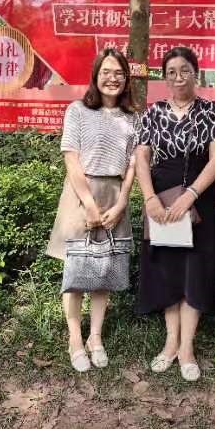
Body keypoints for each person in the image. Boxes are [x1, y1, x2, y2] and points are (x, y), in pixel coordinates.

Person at [135, 46, 215, 382]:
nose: (179, 77)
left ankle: (187, 347)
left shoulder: (211, 111)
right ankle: (170, 342)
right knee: (169, 271)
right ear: (165, 77)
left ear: (195, 73)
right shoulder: (153, 112)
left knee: (194, 272)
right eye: (171, 72)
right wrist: (149, 198)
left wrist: (191, 195)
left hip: (198, 199)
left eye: (185, 70)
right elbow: (141, 157)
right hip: (162, 200)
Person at [45, 48, 137, 373]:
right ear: (96, 76)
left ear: (126, 79)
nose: (112, 79)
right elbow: (71, 158)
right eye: (106, 72)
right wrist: (88, 202)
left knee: (104, 270)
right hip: (80, 193)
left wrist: (122, 202)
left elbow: (132, 165)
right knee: (75, 271)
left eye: (119, 73)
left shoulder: (132, 118)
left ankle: (95, 337)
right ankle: (74, 338)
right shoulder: (78, 110)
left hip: (114, 194)